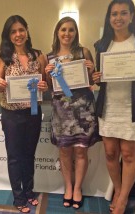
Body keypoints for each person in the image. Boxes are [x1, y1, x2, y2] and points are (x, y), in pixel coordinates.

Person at [92, 0, 135, 213]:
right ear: (109, 17)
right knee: (111, 153)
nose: (118, 18)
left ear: (131, 16)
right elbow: (99, 78)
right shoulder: (101, 44)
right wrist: (96, 77)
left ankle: (122, 199)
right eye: (114, 14)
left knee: (129, 155)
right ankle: (119, 190)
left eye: (123, 13)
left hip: (133, 106)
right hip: (109, 106)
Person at [0, 15, 48, 213]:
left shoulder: (39, 55)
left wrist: (44, 85)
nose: (18, 34)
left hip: (33, 112)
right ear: (9, 35)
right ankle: (19, 197)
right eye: (13, 31)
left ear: (27, 30)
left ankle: (30, 192)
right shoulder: (3, 58)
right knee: (15, 156)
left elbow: (47, 83)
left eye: (21, 30)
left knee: (29, 155)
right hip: (11, 115)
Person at [44, 16, 100, 209]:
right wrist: (48, 74)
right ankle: (68, 187)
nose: (67, 33)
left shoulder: (84, 52)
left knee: (81, 151)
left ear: (76, 33)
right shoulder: (49, 57)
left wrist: (92, 70)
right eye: (63, 30)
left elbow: (93, 82)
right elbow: (51, 89)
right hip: (62, 112)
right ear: (57, 33)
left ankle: (78, 188)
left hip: (84, 110)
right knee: (64, 151)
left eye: (71, 30)